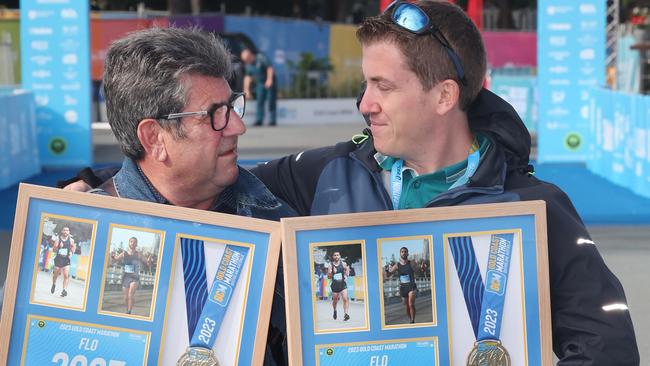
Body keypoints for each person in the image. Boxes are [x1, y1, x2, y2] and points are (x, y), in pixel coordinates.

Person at [62, 3, 639, 363]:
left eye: (382, 87)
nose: (363, 104)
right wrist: (95, 200)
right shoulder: (318, 175)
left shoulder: (533, 206)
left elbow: (604, 345)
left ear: (442, 96)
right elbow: (190, 181)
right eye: (365, 84)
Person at [91, 27, 295, 365]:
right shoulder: (84, 234)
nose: (237, 127)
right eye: (214, 114)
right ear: (154, 138)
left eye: (232, 106)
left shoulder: (275, 224)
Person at [110, 237, 151, 314]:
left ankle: (129, 311)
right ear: (129, 243)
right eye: (131, 241)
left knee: (130, 294)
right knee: (126, 297)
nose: (133, 243)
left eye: (134, 242)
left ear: (136, 244)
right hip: (126, 277)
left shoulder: (139, 254)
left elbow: (147, 262)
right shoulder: (124, 253)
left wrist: (149, 261)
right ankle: (127, 309)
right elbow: (114, 260)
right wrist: (112, 257)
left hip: (134, 277)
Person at [241, 48, 277, 126]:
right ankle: (259, 120)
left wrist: (269, 79)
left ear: (250, 55)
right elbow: (247, 77)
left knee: (271, 100)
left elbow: (270, 68)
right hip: (260, 83)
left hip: (269, 81)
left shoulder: (260, 58)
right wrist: (246, 90)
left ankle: (272, 120)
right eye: (245, 60)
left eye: (247, 59)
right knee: (259, 100)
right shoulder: (248, 65)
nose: (246, 62)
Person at [385, 247, 417, 323]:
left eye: (405, 251)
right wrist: (386, 271)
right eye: (402, 252)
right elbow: (389, 275)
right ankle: (411, 319)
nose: (404, 253)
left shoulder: (411, 263)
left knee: (411, 304)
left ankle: (412, 320)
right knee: (406, 306)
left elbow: (417, 270)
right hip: (403, 287)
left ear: (407, 253)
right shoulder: (397, 265)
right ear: (400, 254)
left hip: (411, 286)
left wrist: (417, 267)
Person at [50, 226, 76, 297]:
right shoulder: (58, 239)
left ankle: (64, 290)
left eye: (67, 230)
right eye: (64, 230)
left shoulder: (71, 240)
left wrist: (71, 253)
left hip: (66, 259)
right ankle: (54, 284)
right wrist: (58, 247)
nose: (65, 232)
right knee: (55, 274)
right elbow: (54, 250)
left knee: (66, 275)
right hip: (59, 259)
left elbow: (73, 247)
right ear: (62, 231)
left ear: (69, 232)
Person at [327, 251, 350, 321]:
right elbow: (329, 277)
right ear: (333, 257)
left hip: (342, 284)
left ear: (340, 256)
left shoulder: (343, 264)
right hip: (335, 286)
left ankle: (346, 314)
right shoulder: (330, 265)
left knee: (345, 298)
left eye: (337, 255)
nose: (336, 256)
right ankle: (335, 310)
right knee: (335, 300)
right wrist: (332, 272)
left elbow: (347, 271)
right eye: (335, 255)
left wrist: (346, 275)